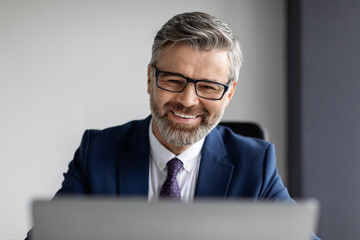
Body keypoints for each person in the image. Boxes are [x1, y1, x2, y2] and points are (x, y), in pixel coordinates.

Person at [26, 11, 319, 239]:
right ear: (150, 79)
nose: (188, 100)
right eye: (174, 81)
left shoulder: (256, 164)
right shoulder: (97, 153)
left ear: (228, 94)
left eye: (208, 86)